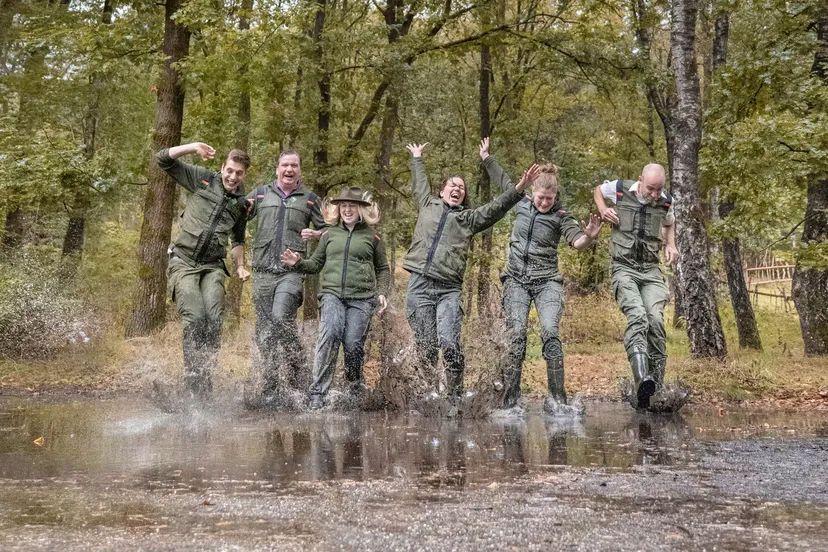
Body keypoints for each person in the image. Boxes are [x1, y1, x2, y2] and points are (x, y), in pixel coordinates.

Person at [403, 142, 534, 410]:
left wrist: (518, 189)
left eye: (461, 188)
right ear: (441, 191)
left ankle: (454, 397)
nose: (457, 189)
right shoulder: (427, 203)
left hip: (449, 289)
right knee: (426, 348)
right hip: (419, 285)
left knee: (449, 342)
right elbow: (419, 183)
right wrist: (417, 158)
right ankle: (430, 397)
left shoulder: (469, 219)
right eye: (452, 185)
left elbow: (497, 206)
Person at [479, 137, 602, 413]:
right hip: (516, 280)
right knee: (516, 335)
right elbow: (503, 181)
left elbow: (576, 241)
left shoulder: (561, 215)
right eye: (541, 198)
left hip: (547, 282)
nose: (545, 202)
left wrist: (589, 237)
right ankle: (511, 401)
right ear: (532, 193)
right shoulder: (520, 201)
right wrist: (487, 157)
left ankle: (559, 401)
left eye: (550, 198)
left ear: (555, 196)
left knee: (549, 331)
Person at [281, 187, 390, 410]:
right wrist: (298, 263)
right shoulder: (328, 235)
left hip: (362, 299)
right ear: (338, 209)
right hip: (331, 295)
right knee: (330, 334)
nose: (347, 209)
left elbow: (383, 269)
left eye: (352, 206)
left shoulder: (373, 237)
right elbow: (315, 264)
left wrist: (381, 292)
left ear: (361, 209)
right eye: (343, 206)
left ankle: (354, 389)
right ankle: (318, 393)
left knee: (352, 344)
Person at [157, 142, 251, 396]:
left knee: (214, 319)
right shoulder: (203, 179)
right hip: (184, 261)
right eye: (229, 170)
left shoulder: (242, 204)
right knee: (195, 318)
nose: (232, 177)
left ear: (244, 175)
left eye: (238, 173)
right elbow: (162, 159)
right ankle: (192, 379)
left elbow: (238, 238)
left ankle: (205, 377)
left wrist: (241, 266)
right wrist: (192, 147)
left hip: (213, 266)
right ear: (222, 167)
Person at [592, 164, 679, 409]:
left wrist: (670, 245)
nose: (654, 194)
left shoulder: (666, 201)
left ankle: (657, 390)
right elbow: (597, 189)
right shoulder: (620, 189)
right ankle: (642, 379)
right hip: (624, 267)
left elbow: (670, 222)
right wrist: (603, 208)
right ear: (641, 181)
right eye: (650, 188)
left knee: (656, 321)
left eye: (659, 189)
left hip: (651, 270)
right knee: (638, 317)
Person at [245, 150, 326, 404]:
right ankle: (270, 388)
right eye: (285, 165)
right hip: (262, 273)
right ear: (277, 168)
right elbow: (236, 215)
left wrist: (315, 235)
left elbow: (330, 230)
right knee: (265, 332)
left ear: (300, 170)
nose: (289, 169)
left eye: (294, 165)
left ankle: (296, 371)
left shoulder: (311, 199)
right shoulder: (260, 194)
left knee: (281, 318)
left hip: (291, 273)